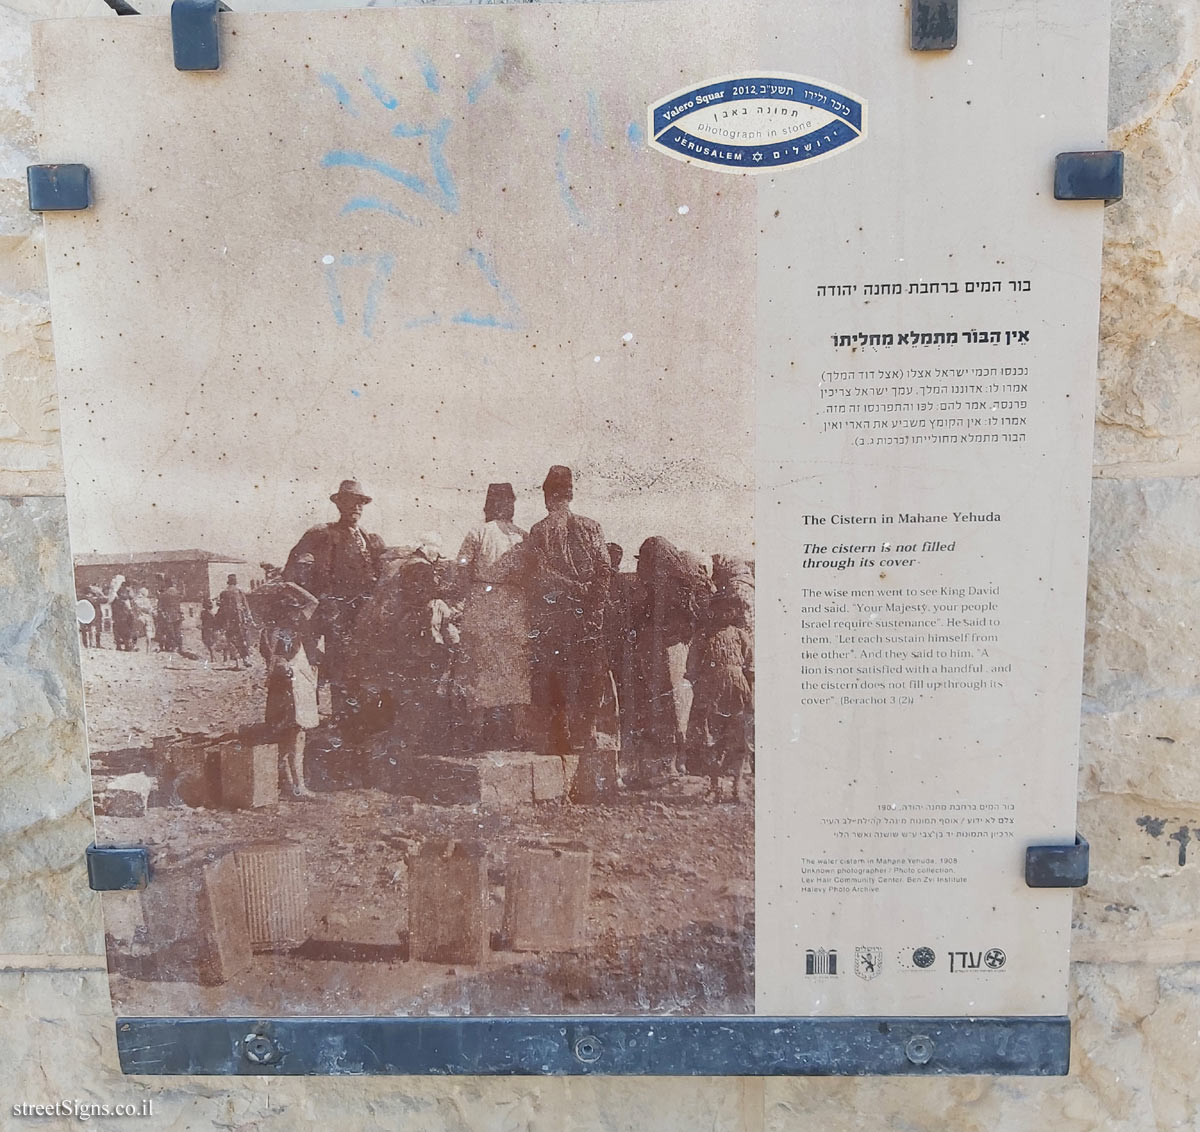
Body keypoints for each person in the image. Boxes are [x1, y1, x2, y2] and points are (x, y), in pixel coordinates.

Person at [525, 465, 612, 755]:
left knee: (555, 676)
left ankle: (560, 736)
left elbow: (538, 575)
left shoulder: (539, 530)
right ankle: (585, 735)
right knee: (589, 675)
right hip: (587, 614)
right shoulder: (591, 526)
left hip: (556, 615)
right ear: (571, 494)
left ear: (548, 496)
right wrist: (594, 606)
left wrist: (569, 588)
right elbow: (604, 568)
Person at [284, 479, 385, 715]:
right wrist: (318, 599)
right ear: (340, 505)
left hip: (365, 613)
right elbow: (295, 564)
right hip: (337, 613)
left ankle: (359, 716)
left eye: (360, 503)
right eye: (351, 502)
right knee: (340, 663)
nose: (356, 508)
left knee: (363, 664)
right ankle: (342, 717)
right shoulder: (325, 534)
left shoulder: (369, 538)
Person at [626, 535, 713, 783]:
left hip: (661, 652)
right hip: (675, 651)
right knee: (677, 707)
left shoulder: (655, 587)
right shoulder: (681, 585)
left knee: (666, 707)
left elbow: (641, 620)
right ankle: (678, 764)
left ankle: (670, 766)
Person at [453, 482, 532, 748]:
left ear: (488, 504)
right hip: (514, 606)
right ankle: (519, 732)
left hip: (483, 604)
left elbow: (461, 570)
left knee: (479, 668)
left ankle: (475, 733)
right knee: (515, 670)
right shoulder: (523, 536)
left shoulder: (477, 532)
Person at [685, 597, 754, 801]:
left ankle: (737, 786)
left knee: (739, 737)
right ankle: (715, 786)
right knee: (711, 739)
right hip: (711, 692)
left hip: (737, 692)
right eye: (721, 610)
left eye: (730, 611)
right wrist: (701, 693)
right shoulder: (703, 637)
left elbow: (750, 667)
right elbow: (692, 669)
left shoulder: (741, 636)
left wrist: (750, 696)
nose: (725, 615)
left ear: (735, 613)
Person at [258, 581, 321, 797]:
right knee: (296, 736)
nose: (297, 614)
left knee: (285, 736)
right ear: (287, 612)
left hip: (279, 687)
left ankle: (287, 783)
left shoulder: (268, 631)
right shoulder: (287, 632)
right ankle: (298, 786)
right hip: (290, 687)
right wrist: (291, 585)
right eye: (294, 610)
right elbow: (313, 601)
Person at [216, 573, 255, 668]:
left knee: (231, 639)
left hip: (228, 621)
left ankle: (237, 662)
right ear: (235, 582)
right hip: (239, 619)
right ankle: (245, 659)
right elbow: (246, 606)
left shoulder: (223, 593)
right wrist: (249, 618)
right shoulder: (239, 592)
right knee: (242, 639)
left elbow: (221, 609)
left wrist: (220, 622)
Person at [110, 584, 139, 651]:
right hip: (123, 619)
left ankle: (121, 646)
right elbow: (129, 611)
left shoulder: (116, 601)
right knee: (126, 633)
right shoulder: (123, 602)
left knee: (120, 633)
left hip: (119, 619)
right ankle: (126, 646)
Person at [134, 587, 156, 653]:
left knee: (138, 633)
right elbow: (149, 609)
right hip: (147, 618)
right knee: (148, 633)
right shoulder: (147, 600)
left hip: (139, 618)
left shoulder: (136, 600)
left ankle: (137, 647)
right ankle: (148, 649)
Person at [199, 598, 220, 663]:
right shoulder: (212, 613)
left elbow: (201, 620)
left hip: (206, 629)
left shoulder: (203, 613)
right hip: (211, 629)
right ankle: (213, 656)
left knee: (208, 643)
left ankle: (212, 656)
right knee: (210, 643)